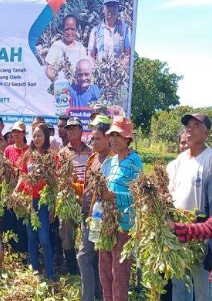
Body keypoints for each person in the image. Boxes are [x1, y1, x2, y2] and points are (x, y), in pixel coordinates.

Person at [166, 113, 212, 301]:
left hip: (201, 234)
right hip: (177, 232)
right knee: (179, 283)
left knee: (201, 286)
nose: (189, 128)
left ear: (206, 133)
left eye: (196, 125)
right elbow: (170, 193)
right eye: (187, 125)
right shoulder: (179, 161)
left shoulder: (209, 160)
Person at [99, 116, 143, 301]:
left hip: (124, 226)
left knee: (120, 274)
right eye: (112, 135)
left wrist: (115, 196)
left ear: (127, 139)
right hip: (106, 224)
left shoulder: (134, 162)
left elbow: (140, 197)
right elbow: (101, 192)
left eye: (119, 135)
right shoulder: (109, 162)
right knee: (104, 272)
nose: (114, 139)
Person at [76, 115, 113, 301]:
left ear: (109, 138)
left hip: (99, 216)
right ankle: (99, 294)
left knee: (83, 257)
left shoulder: (112, 161)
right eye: (92, 138)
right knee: (97, 257)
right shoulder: (93, 158)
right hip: (88, 214)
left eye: (98, 138)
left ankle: (87, 297)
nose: (94, 141)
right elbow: (87, 186)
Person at [14, 123, 55, 280]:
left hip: (44, 202)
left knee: (44, 238)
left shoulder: (52, 156)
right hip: (29, 201)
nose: (36, 138)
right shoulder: (28, 155)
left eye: (39, 135)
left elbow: (54, 183)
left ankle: (50, 273)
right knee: (31, 236)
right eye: (34, 135)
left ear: (46, 137)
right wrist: (15, 191)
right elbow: (23, 176)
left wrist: (54, 207)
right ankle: (35, 269)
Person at [59, 117, 92, 275]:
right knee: (67, 231)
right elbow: (59, 176)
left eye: (74, 128)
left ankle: (87, 267)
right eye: (68, 128)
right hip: (70, 198)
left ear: (81, 130)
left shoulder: (90, 150)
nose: (70, 130)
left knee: (88, 232)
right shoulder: (63, 152)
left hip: (87, 197)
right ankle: (72, 269)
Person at [3, 121, 30, 253]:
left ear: (24, 133)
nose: (15, 134)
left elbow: (27, 174)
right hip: (9, 191)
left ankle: (22, 254)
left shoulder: (29, 150)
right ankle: (11, 252)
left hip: (24, 194)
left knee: (21, 225)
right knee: (9, 222)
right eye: (14, 132)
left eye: (18, 132)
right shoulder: (8, 149)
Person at [45, 14, 88, 82]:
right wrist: (53, 77)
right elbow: (49, 67)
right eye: (67, 29)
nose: (69, 32)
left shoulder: (80, 48)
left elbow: (85, 69)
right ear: (63, 30)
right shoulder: (57, 45)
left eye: (72, 29)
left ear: (76, 30)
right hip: (60, 85)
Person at [88, 0, 132, 65]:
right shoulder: (95, 30)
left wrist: (119, 70)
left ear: (118, 8)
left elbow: (127, 55)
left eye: (114, 5)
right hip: (100, 71)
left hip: (119, 72)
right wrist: (96, 70)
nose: (111, 8)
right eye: (108, 6)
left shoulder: (126, 28)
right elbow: (90, 55)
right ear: (103, 9)